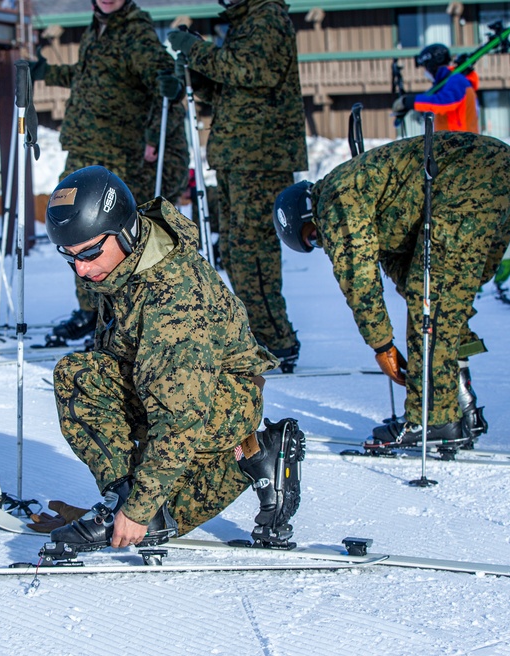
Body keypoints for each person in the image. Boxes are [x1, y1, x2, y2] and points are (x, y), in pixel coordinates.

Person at [29, 166, 304, 555]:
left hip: (221, 401)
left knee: (154, 517)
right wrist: (126, 498)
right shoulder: (124, 261)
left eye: (89, 253)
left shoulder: (173, 297)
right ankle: (126, 502)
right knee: (80, 378)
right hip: (166, 387)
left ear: (124, 230)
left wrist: (139, 510)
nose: (82, 269)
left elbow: (180, 415)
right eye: (70, 257)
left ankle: (251, 453)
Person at [273, 132, 510, 454]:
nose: (321, 243)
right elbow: (403, 272)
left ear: (307, 213)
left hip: (467, 177)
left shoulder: (335, 200)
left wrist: (382, 346)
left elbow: (359, 278)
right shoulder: (363, 194)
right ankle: (462, 405)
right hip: (506, 170)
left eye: (311, 238)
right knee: (443, 302)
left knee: (432, 301)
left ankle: (432, 420)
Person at [29, 0, 189, 346]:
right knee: (75, 234)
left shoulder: (135, 32)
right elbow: (90, 76)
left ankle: (115, 319)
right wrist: (47, 73)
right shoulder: (96, 29)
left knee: (103, 240)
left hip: (114, 154)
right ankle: (91, 311)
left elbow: (163, 81)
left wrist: (152, 136)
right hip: (84, 148)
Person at [167, 0, 308, 372]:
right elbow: (229, 88)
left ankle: (276, 338)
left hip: (260, 156)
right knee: (235, 249)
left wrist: (196, 50)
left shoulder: (267, 18)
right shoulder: (244, 23)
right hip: (237, 155)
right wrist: (194, 71)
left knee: (253, 252)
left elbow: (248, 70)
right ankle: (254, 333)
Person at [393, 43, 480, 134]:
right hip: (450, 143)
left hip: (462, 144)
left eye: (426, 67)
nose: (426, 72)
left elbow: (444, 102)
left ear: (432, 66)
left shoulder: (456, 80)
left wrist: (411, 102)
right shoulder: (444, 85)